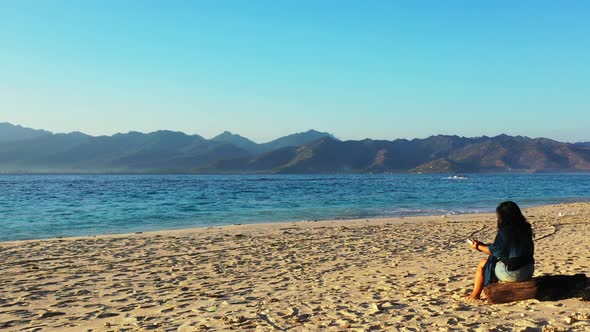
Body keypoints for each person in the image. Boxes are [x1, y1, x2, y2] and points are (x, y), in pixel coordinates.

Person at [466, 201, 535, 300]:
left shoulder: (505, 231)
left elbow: (496, 251)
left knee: (483, 263)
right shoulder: (526, 228)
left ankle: (475, 294)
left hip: (513, 273)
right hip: (528, 270)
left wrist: (477, 246)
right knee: (493, 260)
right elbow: (505, 248)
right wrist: (483, 246)